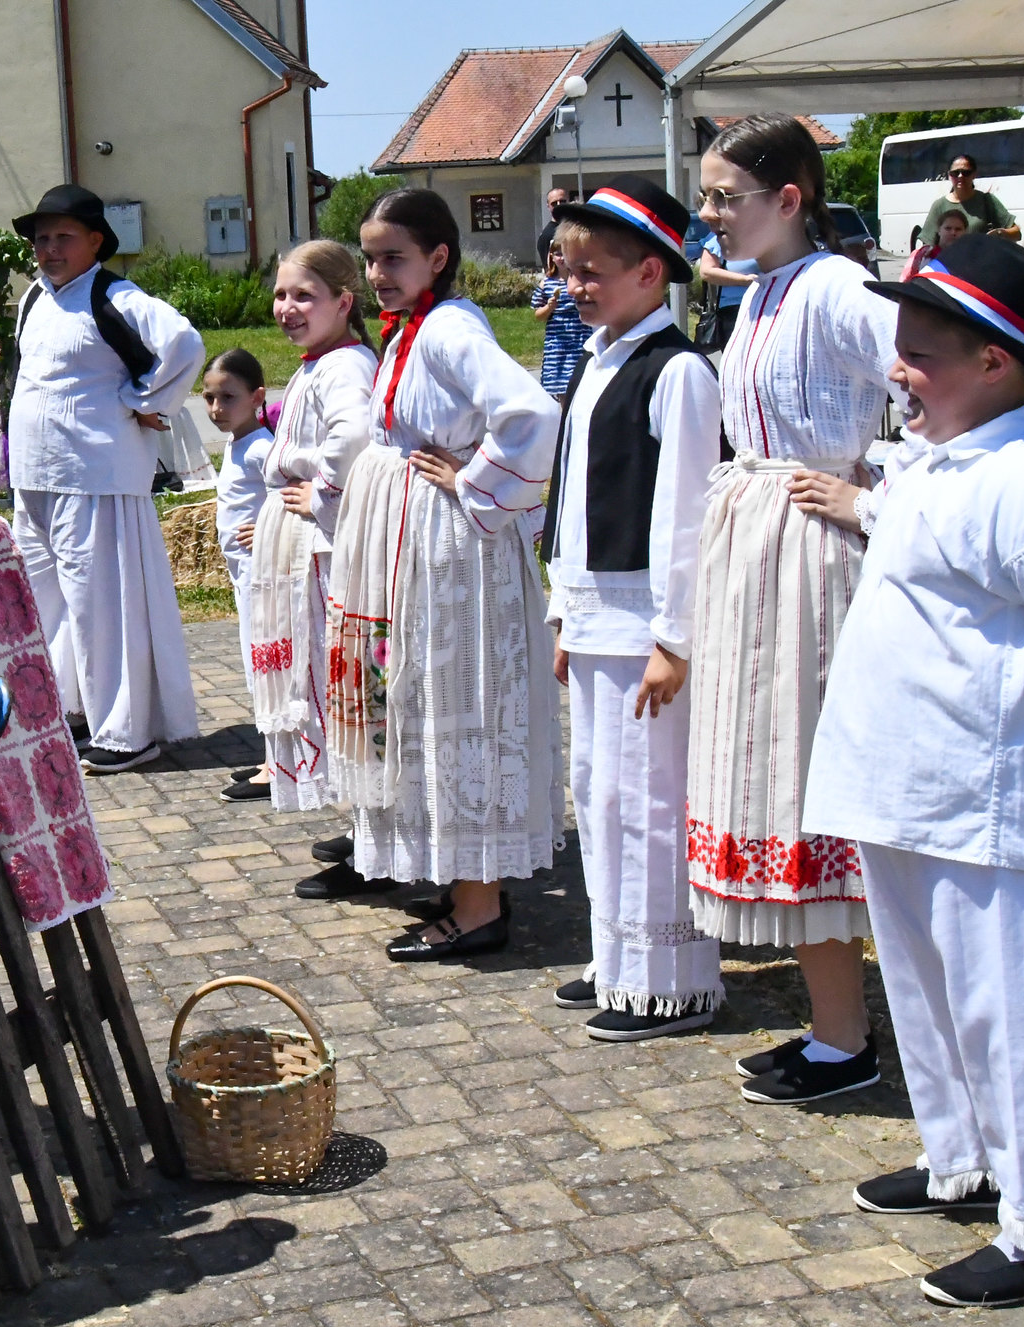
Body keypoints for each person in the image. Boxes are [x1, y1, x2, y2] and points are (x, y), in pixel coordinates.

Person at [804, 235, 1024, 1307]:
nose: (895, 370)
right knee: (926, 987)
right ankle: (960, 1155)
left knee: (1018, 1006)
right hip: (906, 780)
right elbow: (915, 540)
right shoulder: (942, 459)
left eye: (917, 353)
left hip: (995, 792)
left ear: (996, 364)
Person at [687, 113, 902, 1103]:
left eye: (726, 195)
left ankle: (847, 1035)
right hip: (759, 550)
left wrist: (873, 493)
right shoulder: (766, 290)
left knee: (809, 779)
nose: (710, 212)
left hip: (812, 560)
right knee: (775, 779)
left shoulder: (837, 287)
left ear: (788, 198)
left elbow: (933, 380)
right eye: (706, 194)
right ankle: (831, 1026)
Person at [324, 188, 564, 958]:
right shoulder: (410, 332)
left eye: (394, 256)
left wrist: (474, 481)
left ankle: (481, 901)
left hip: (446, 546)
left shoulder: (450, 329)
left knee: (451, 692)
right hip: (408, 539)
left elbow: (531, 413)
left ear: (438, 256)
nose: (377, 271)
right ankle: (457, 872)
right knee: (414, 695)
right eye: (370, 257)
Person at [540, 177, 724, 1041]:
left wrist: (673, 637)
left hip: (645, 621)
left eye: (592, 272)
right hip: (594, 616)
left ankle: (668, 979)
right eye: (568, 270)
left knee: (649, 794)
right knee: (598, 792)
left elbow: (685, 512)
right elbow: (573, 496)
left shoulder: (678, 369)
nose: (575, 287)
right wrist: (562, 614)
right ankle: (614, 957)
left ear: (652, 273)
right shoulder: (599, 358)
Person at [8, 184, 205, 774]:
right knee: (42, 600)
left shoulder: (115, 297)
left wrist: (142, 399)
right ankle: (65, 704)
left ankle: (126, 730)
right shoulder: (34, 301)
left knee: (101, 606)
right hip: (35, 477)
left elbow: (184, 345)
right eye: (42, 238)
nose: (49, 248)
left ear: (96, 241)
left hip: (94, 476)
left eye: (63, 236)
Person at [242, 241, 377, 853]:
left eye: (304, 296)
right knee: (327, 687)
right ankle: (364, 826)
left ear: (343, 302)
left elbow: (355, 439)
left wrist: (313, 483)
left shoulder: (344, 366)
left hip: (325, 553)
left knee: (336, 688)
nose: (287, 308)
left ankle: (371, 827)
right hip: (309, 550)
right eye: (280, 294)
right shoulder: (317, 364)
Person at [205, 347, 272, 802]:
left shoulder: (262, 449)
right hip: (242, 576)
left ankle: (280, 765)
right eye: (209, 397)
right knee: (255, 664)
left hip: (262, 576)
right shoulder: (238, 446)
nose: (215, 408)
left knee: (268, 665)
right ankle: (275, 756)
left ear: (257, 397)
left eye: (228, 397)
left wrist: (268, 525)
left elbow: (295, 496)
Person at [920, 152, 1021, 244]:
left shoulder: (987, 200)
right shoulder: (939, 205)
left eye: (966, 173)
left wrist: (999, 233)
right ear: (949, 176)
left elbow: (1017, 233)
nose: (960, 176)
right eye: (955, 173)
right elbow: (928, 242)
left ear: (974, 174)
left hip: (979, 262)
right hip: (949, 262)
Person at [531, 246, 589, 401]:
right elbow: (537, 315)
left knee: (582, 383)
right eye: (558, 254)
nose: (561, 258)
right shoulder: (546, 284)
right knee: (562, 387)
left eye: (564, 254)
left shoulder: (580, 280)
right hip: (558, 341)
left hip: (579, 337)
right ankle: (564, 420)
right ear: (552, 257)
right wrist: (549, 307)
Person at [690, 220, 757, 352]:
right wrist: (745, 280)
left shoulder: (762, 234)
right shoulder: (719, 236)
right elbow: (707, 272)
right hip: (733, 310)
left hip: (766, 306)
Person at [535, 186, 571, 269]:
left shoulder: (574, 228)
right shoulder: (547, 236)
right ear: (548, 206)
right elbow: (548, 269)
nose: (559, 205)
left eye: (562, 201)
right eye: (554, 203)